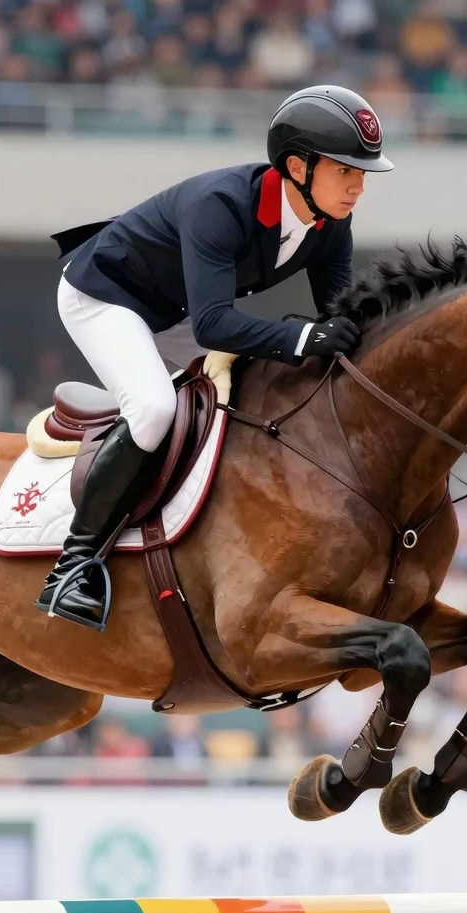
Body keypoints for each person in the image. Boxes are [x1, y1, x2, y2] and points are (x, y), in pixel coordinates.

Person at [36, 83, 393, 630]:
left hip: (175, 308)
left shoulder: (329, 224)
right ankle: (74, 566)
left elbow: (342, 318)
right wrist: (303, 338)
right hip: (106, 296)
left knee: (252, 389)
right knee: (153, 408)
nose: (358, 187)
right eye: (346, 170)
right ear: (297, 166)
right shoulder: (221, 206)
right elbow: (213, 325)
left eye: (362, 173)